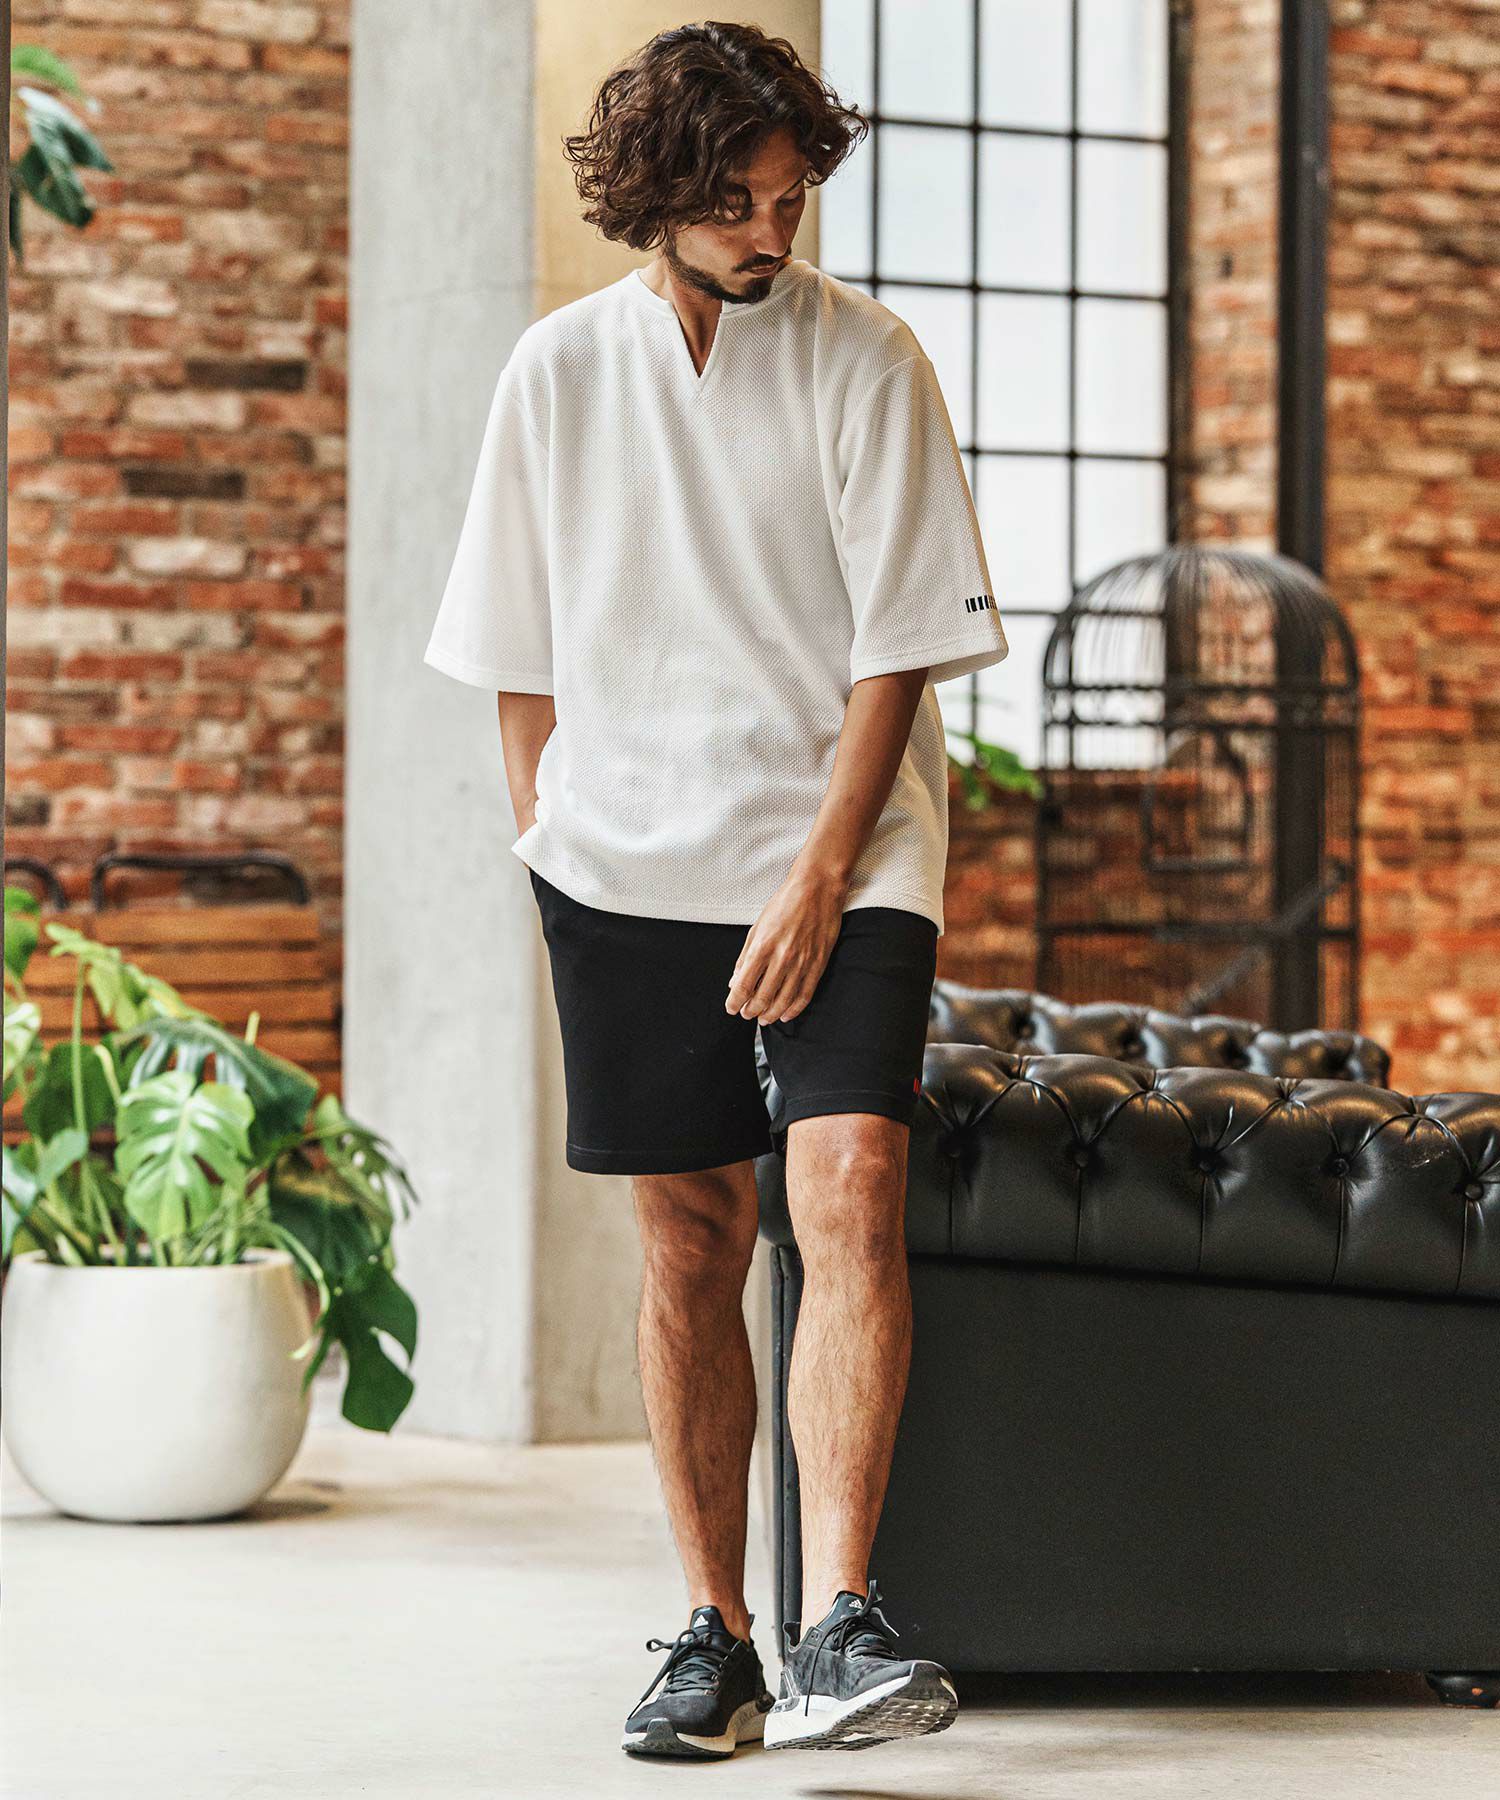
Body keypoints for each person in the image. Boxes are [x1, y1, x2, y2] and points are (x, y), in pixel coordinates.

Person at [423, 20, 1007, 1760]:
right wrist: (552, 841)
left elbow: (900, 652)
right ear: (654, 198)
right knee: (688, 1238)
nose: (771, 231)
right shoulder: (556, 375)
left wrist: (824, 874)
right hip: (625, 864)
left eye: (790, 198)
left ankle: (844, 1619)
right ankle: (717, 1638)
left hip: (847, 846)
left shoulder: (868, 360)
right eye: (737, 203)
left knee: (850, 1185)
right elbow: (515, 650)